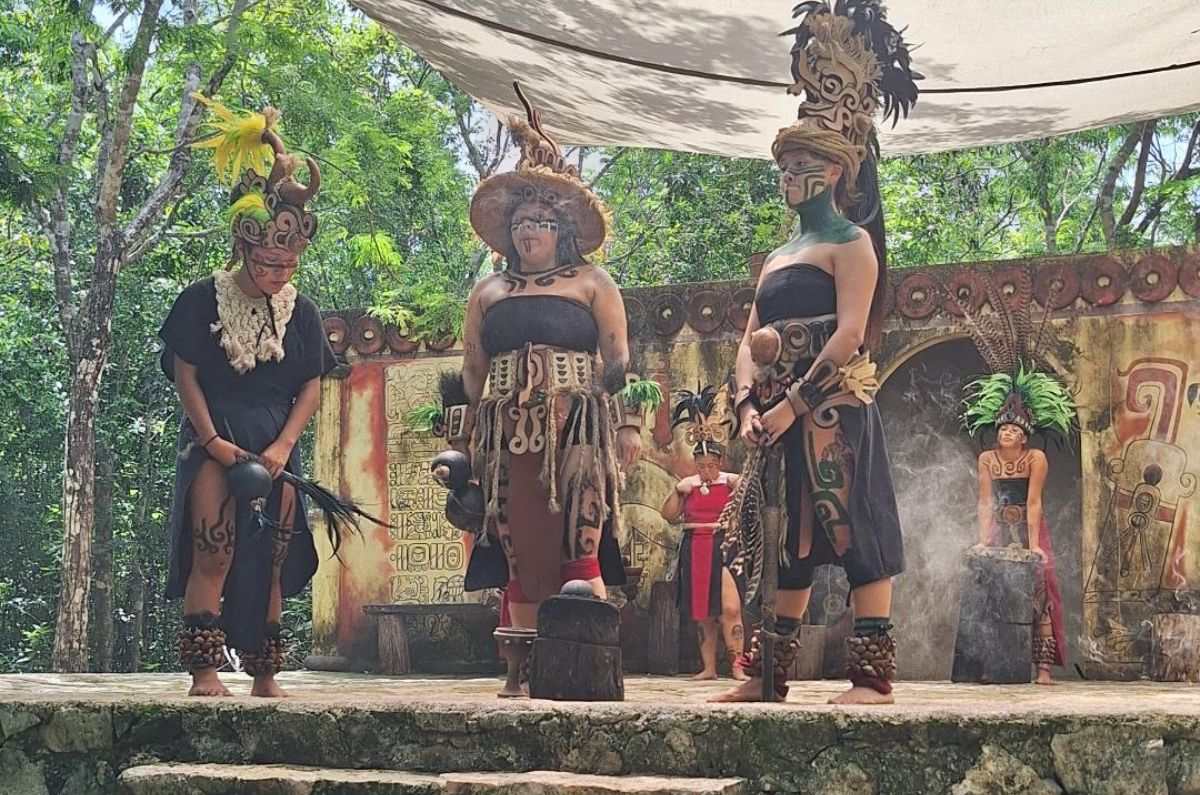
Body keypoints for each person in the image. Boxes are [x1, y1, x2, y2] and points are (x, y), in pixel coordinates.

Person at [712, 0, 918, 704]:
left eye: (802, 162)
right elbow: (749, 338)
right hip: (773, 412)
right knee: (785, 542)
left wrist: (796, 404)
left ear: (834, 173)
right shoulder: (776, 257)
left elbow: (850, 333)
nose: (788, 173)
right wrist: (747, 402)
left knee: (851, 523)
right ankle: (769, 677)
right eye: (784, 163)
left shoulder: (851, 244)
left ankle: (872, 677)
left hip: (832, 408)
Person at [440, 83, 654, 666]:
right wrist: (462, 445)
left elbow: (620, 359)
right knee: (515, 535)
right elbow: (472, 369)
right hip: (505, 430)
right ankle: (524, 661)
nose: (526, 232)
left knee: (581, 529)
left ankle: (585, 657)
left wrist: (629, 425)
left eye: (538, 222)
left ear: (562, 231)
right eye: (519, 223)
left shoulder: (593, 283)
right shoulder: (488, 291)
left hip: (577, 426)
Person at [161, 98, 336, 697]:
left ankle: (265, 674)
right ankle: (205, 672)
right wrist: (211, 441)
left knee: (276, 558)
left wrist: (286, 444)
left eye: (288, 264)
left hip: (274, 448)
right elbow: (185, 372)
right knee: (215, 552)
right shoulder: (199, 299)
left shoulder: (302, 311)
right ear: (244, 247)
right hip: (215, 442)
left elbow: (312, 381)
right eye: (267, 262)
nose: (278, 272)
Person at [960, 287, 1077, 685]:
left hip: (1028, 525)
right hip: (997, 524)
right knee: (987, 585)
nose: (1006, 432)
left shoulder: (1035, 459)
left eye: (1012, 428)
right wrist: (983, 539)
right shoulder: (987, 459)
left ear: (1025, 435)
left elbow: (1033, 503)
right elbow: (983, 503)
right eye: (1002, 427)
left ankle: (1043, 668)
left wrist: (1033, 546)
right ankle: (987, 663)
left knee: (1039, 591)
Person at [660, 386, 748, 681]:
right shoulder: (688, 484)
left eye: (712, 465)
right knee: (702, 611)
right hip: (695, 544)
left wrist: (736, 484)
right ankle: (708, 668)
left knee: (730, 608)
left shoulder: (733, 481)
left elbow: (750, 499)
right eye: (702, 466)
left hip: (725, 544)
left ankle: (737, 665)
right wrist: (677, 490)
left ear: (720, 462)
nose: (707, 470)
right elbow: (669, 515)